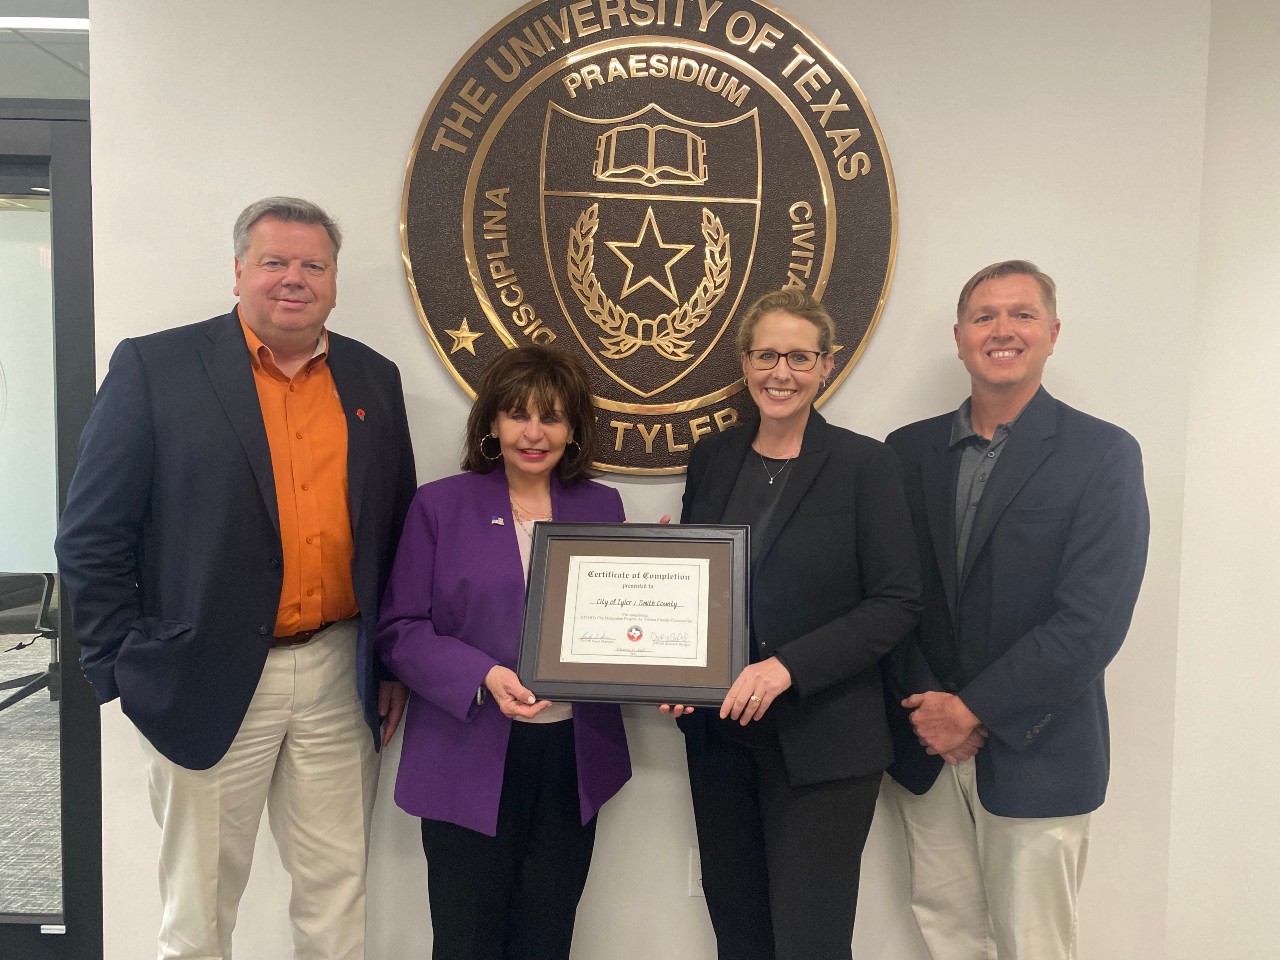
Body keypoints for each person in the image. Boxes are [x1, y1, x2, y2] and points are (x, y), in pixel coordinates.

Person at [54, 197, 416, 960]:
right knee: (198, 913)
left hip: (334, 672)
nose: (294, 279)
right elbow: (93, 532)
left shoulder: (372, 381)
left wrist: (387, 663)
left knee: (335, 899)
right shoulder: (155, 368)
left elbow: (393, 531)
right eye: (275, 262)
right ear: (238, 272)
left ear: (335, 280)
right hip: (203, 670)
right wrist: (120, 667)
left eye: (313, 265)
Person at [882, 260, 1150, 960]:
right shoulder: (905, 453)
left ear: (1052, 333)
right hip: (927, 747)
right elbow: (888, 597)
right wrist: (931, 710)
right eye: (984, 316)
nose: (1003, 330)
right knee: (946, 932)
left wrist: (972, 711)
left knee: (1034, 945)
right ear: (960, 336)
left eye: (1022, 314)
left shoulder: (1104, 455)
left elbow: (1090, 621)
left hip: (1040, 749)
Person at [666, 288, 922, 960]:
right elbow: (705, 585)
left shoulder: (867, 465)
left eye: (800, 357)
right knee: (739, 934)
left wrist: (788, 668)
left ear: (827, 365)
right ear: (745, 363)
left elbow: (897, 600)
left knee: (811, 941)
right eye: (768, 355)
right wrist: (673, 658)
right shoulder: (713, 458)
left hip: (826, 743)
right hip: (722, 741)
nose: (782, 372)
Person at [376, 346, 631, 960]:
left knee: (547, 938)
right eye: (518, 415)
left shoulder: (603, 507)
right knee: (467, 941)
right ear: (491, 422)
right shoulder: (440, 505)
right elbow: (400, 629)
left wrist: (671, 587)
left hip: (571, 758)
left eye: (553, 417)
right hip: (468, 753)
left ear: (574, 429)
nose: (535, 433)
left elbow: (622, 619)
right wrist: (484, 674)